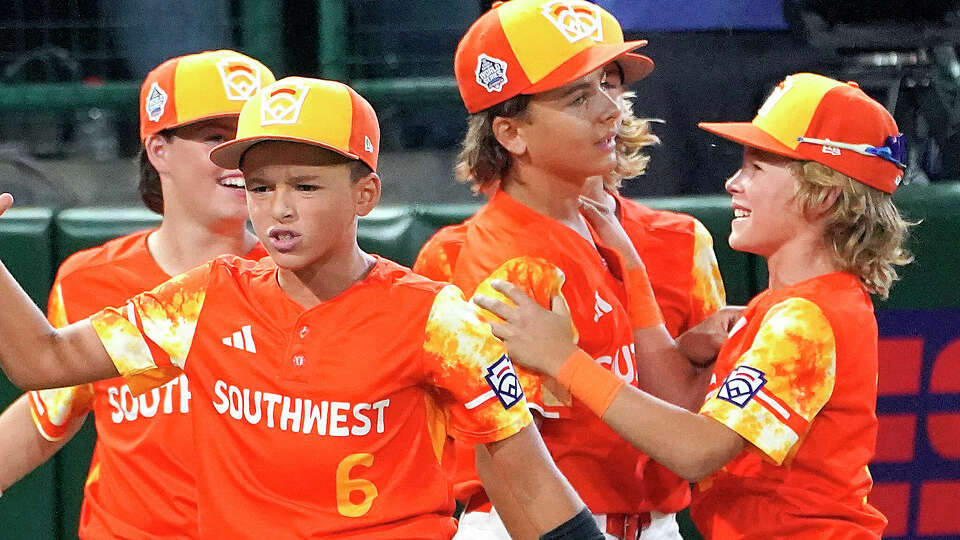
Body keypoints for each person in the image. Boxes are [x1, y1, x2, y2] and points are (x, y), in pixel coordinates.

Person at [0, 76, 606, 540]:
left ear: (365, 193)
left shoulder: (438, 321)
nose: (278, 210)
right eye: (261, 188)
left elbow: (528, 487)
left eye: (306, 186)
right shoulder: (201, 298)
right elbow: (42, 362)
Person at [475, 72, 913, 539]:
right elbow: (675, 397)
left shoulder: (806, 317)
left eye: (757, 168)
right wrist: (631, 266)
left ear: (823, 194)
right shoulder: (796, 304)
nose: (733, 183)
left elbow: (695, 451)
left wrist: (564, 360)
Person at [441, 1, 734, 538]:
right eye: (579, 96)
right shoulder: (487, 258)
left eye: (611, 84)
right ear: (510, 133)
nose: (613, 111)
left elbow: (693, 428)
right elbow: (509, 458)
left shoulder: (666, 240)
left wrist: (690, 354)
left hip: (660, 523)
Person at [0, 49, 273, 538]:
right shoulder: (91, 279)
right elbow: (50, 412)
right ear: (158, 149)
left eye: (253, 141)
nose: (239, 157)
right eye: (216, 137)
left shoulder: (297, 280)